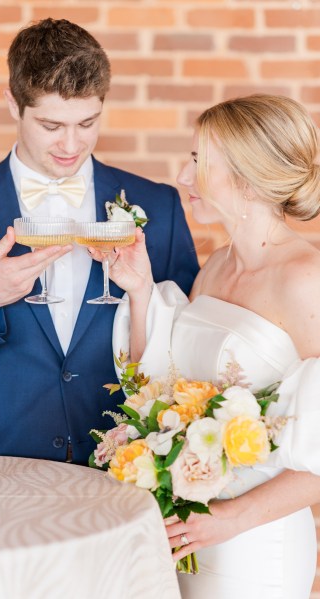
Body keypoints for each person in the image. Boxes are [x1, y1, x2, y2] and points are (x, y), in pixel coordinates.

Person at [0, 18, 198, 465]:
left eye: (87, 123)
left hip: (129, 465)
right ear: (13, 104)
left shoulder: (156, 205)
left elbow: (191, 343)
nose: (71, 144)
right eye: (51, 126)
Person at [92, 94, 320, 597]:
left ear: (244, 174)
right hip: (186, 532)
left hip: (255, 541)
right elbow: (158, 385)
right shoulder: (215, 266)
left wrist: (230, 519)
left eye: (199, 161)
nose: (182, 175)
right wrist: (139, 290)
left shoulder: (307, 279)